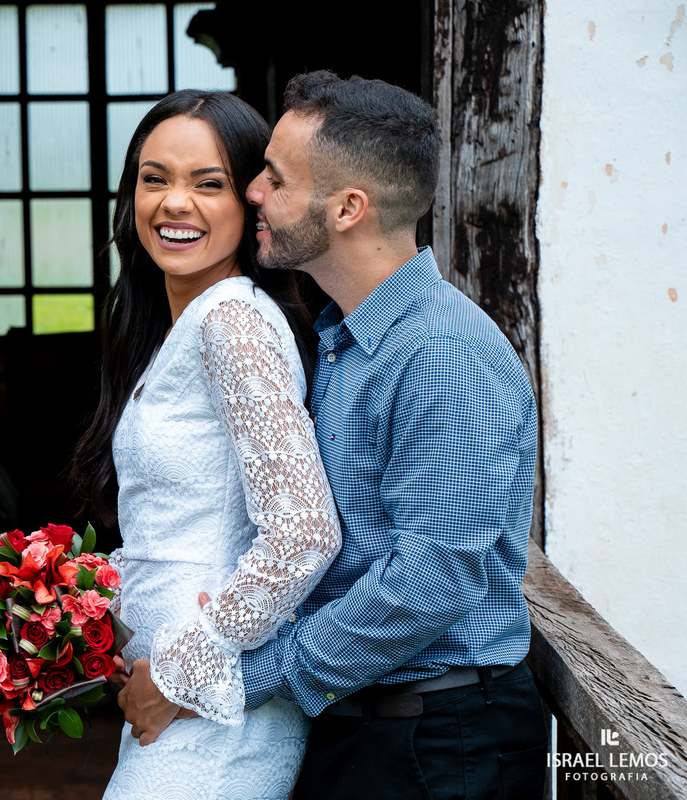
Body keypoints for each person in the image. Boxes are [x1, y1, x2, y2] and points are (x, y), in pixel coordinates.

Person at [118, 71, 547, 799]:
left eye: (276, 180)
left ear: (348, 208)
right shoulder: (348, 339)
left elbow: (431, 582)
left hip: (439, 741)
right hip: (364, 724)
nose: (254, 192)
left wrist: (236, 674)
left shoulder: (441, 352)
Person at [70, 89, 342, 799]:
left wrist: (179, 671)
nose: (174, 203)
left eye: (208, 183)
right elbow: (173, 525)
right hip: (172, 705)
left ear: (251, 201)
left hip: (215, 719)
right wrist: (63, 609)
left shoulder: (233, 324)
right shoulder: (180, 329)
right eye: (154, 178)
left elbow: (305, 535)